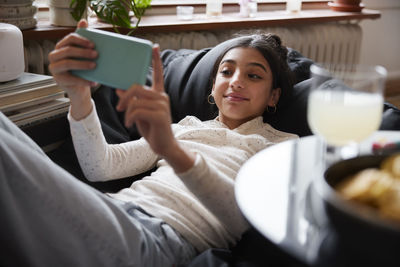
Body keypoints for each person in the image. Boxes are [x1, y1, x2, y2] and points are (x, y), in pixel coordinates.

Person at [0, 19, 298, 267]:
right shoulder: (184, 128)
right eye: (226, 71)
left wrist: (172, 150)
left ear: (273, 96)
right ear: (213, 86)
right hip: (112, 210)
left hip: (157, 240)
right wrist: (80, 97)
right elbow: (99, 167)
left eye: (253, 75)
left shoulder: (281, 147)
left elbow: (243, 221)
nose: (235, 81)